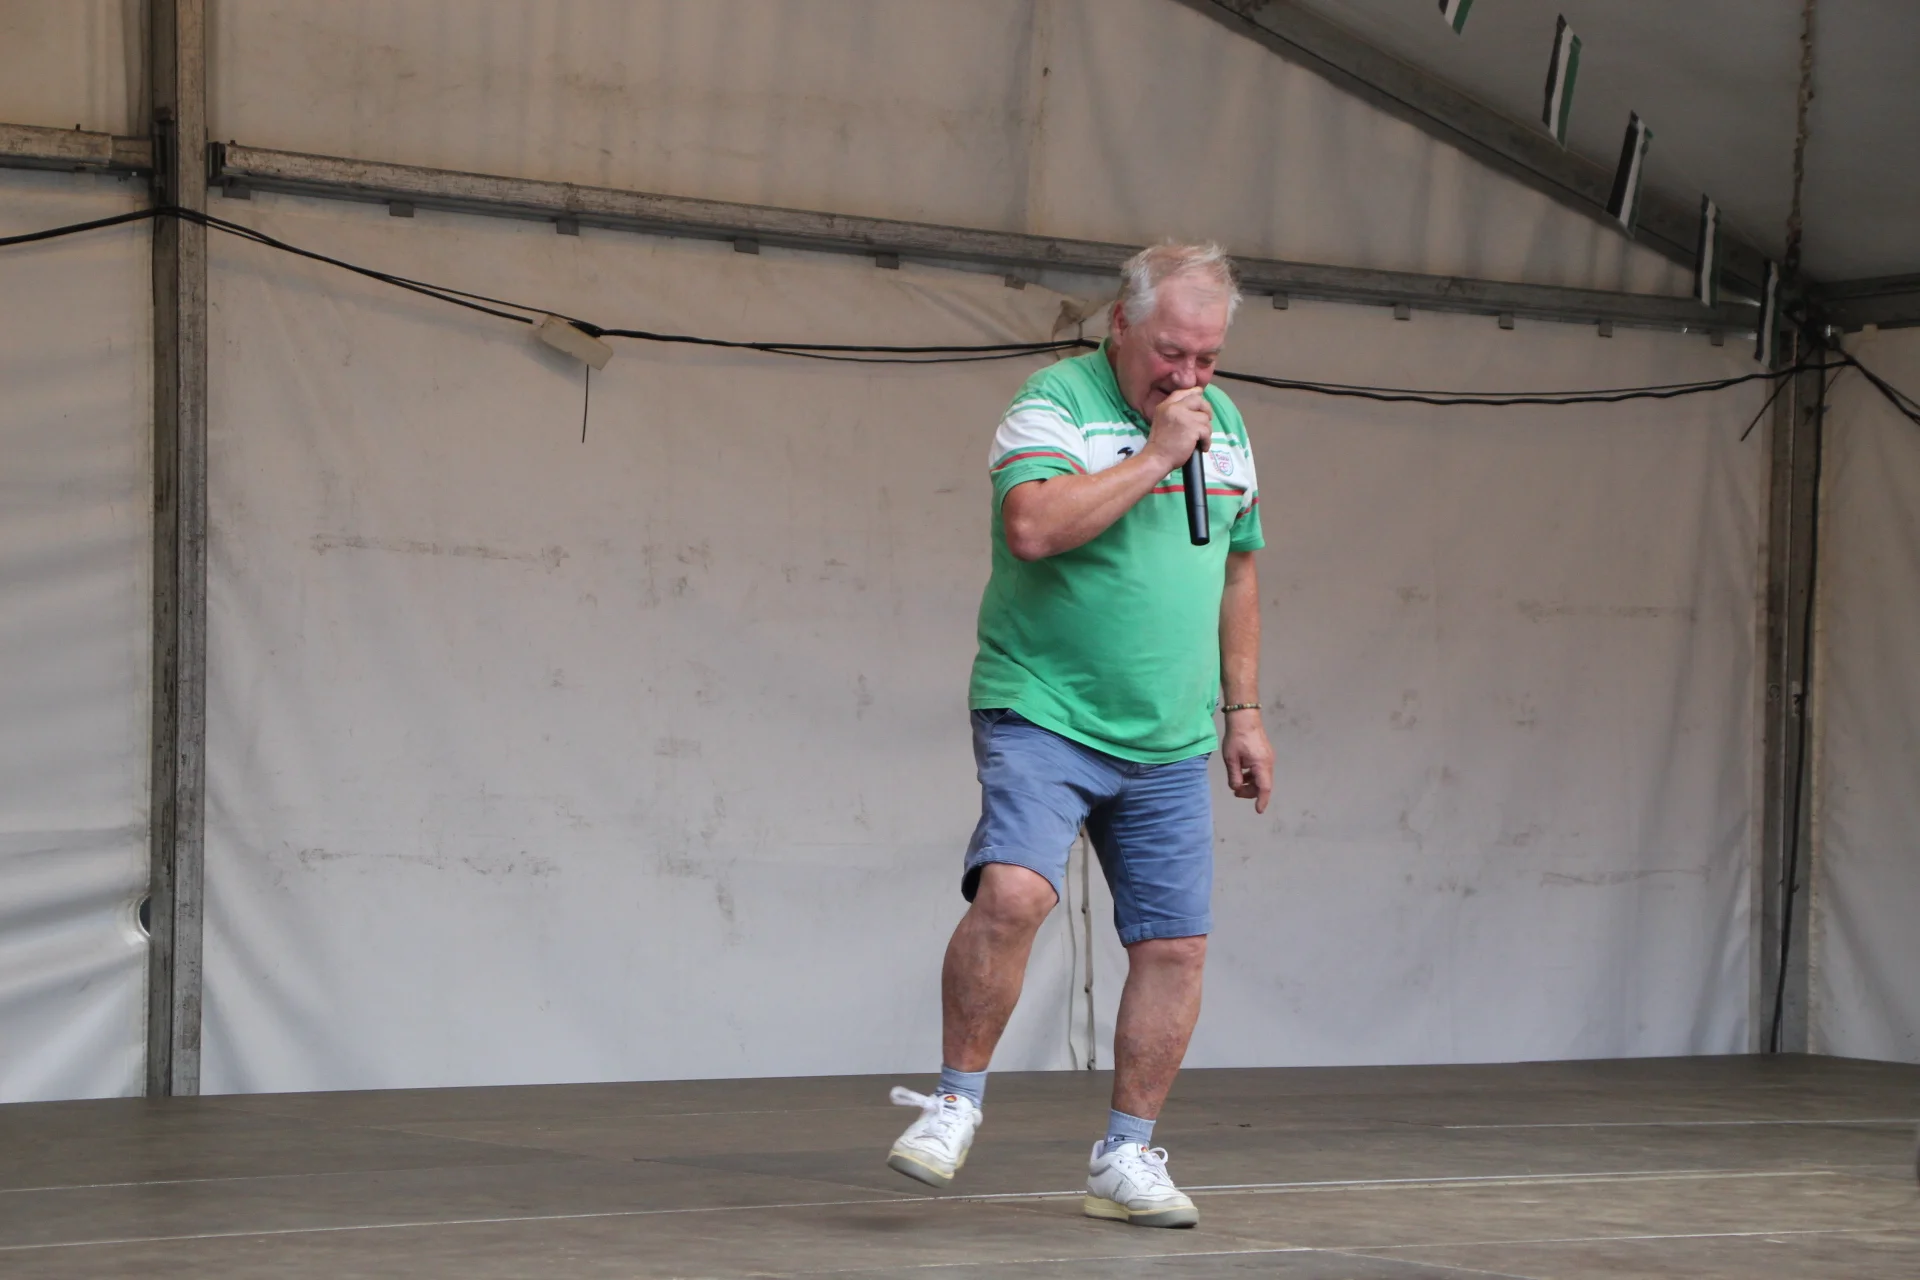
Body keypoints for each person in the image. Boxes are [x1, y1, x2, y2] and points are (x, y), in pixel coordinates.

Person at [886, 242, 1273, 1229]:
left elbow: (1237, 569)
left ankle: (1126, 1155)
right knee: (1015, 891)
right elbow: (1032, 527)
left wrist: (1242, 711)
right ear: (1121, 323)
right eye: (1172, 353)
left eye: (1208, 358)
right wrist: (1155, 457)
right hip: (1045, 704)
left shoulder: (1226, 425)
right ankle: (954, 1102)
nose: (1188, 378)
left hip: (1170, 732)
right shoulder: (1054, 402)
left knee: (1176, 946)